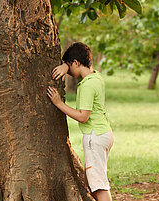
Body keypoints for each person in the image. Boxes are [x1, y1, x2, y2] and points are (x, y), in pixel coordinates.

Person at [47, 42, 114, 201]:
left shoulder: (87, 85)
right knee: (91, 182)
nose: (68, 73)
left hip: (94, 137)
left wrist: (58, 103)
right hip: (104, 134)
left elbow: (83, 116)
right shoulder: (96, 77)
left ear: (76, 62)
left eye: (69, 68)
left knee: (98, 186)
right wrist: (65, 65)